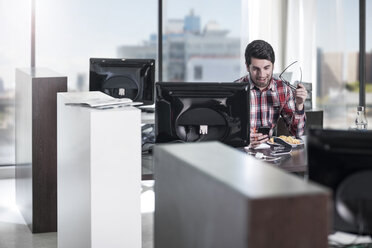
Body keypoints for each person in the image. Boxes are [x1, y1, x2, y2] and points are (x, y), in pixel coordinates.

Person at [235, 40, 307, 148]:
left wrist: (299, 105)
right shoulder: (236, 90)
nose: (261, 74)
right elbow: (226, 132)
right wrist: (242, 138)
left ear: (273, 66)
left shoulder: (283, 89)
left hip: (270, 153)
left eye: (266, 68)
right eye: (255, 69)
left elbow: (297, 134)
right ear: (247, 66)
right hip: (241, 151)